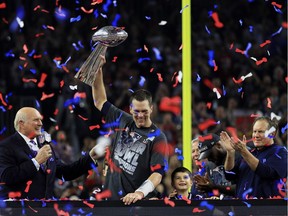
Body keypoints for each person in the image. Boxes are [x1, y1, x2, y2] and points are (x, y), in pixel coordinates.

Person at [91, 56, 168, 205]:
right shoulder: (124, 119)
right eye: (136, 111)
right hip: (110, 201)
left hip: (136, 204)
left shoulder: (158, 137)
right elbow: (99, 101)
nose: (140, 115)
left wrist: (139, 193)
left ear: (151, 109)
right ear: (131, 109)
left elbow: (158, 173)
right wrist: (98, 70)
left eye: (144, 111)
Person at [0, 107, 102, 200]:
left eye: (40, 119)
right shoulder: (6, 146)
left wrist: (90, 158)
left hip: (45, 210)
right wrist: (36, 161)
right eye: (36, 120)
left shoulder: (44, 146)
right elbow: (6, 177)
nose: (40, 123)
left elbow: (65, 172)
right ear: (22, 124)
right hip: (20, 210)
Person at [220, 116, 288, 199]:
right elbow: (229, 175)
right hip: (241, 207)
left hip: (267, 208)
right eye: (254, 131)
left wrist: (244, 152)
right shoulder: (250, 153)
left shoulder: (280, 152)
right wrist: (230, 152)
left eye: (260, 132)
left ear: (272, 134)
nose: (256, 135)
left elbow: (266, 172)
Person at [192, 134, 235, 199]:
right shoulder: (209, 166)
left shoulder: (238, 157)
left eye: (210, 154)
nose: (209, 159)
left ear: (218, 145)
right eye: (193, 151)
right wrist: (208, 190)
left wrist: (213, 187)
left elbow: (241, 188)